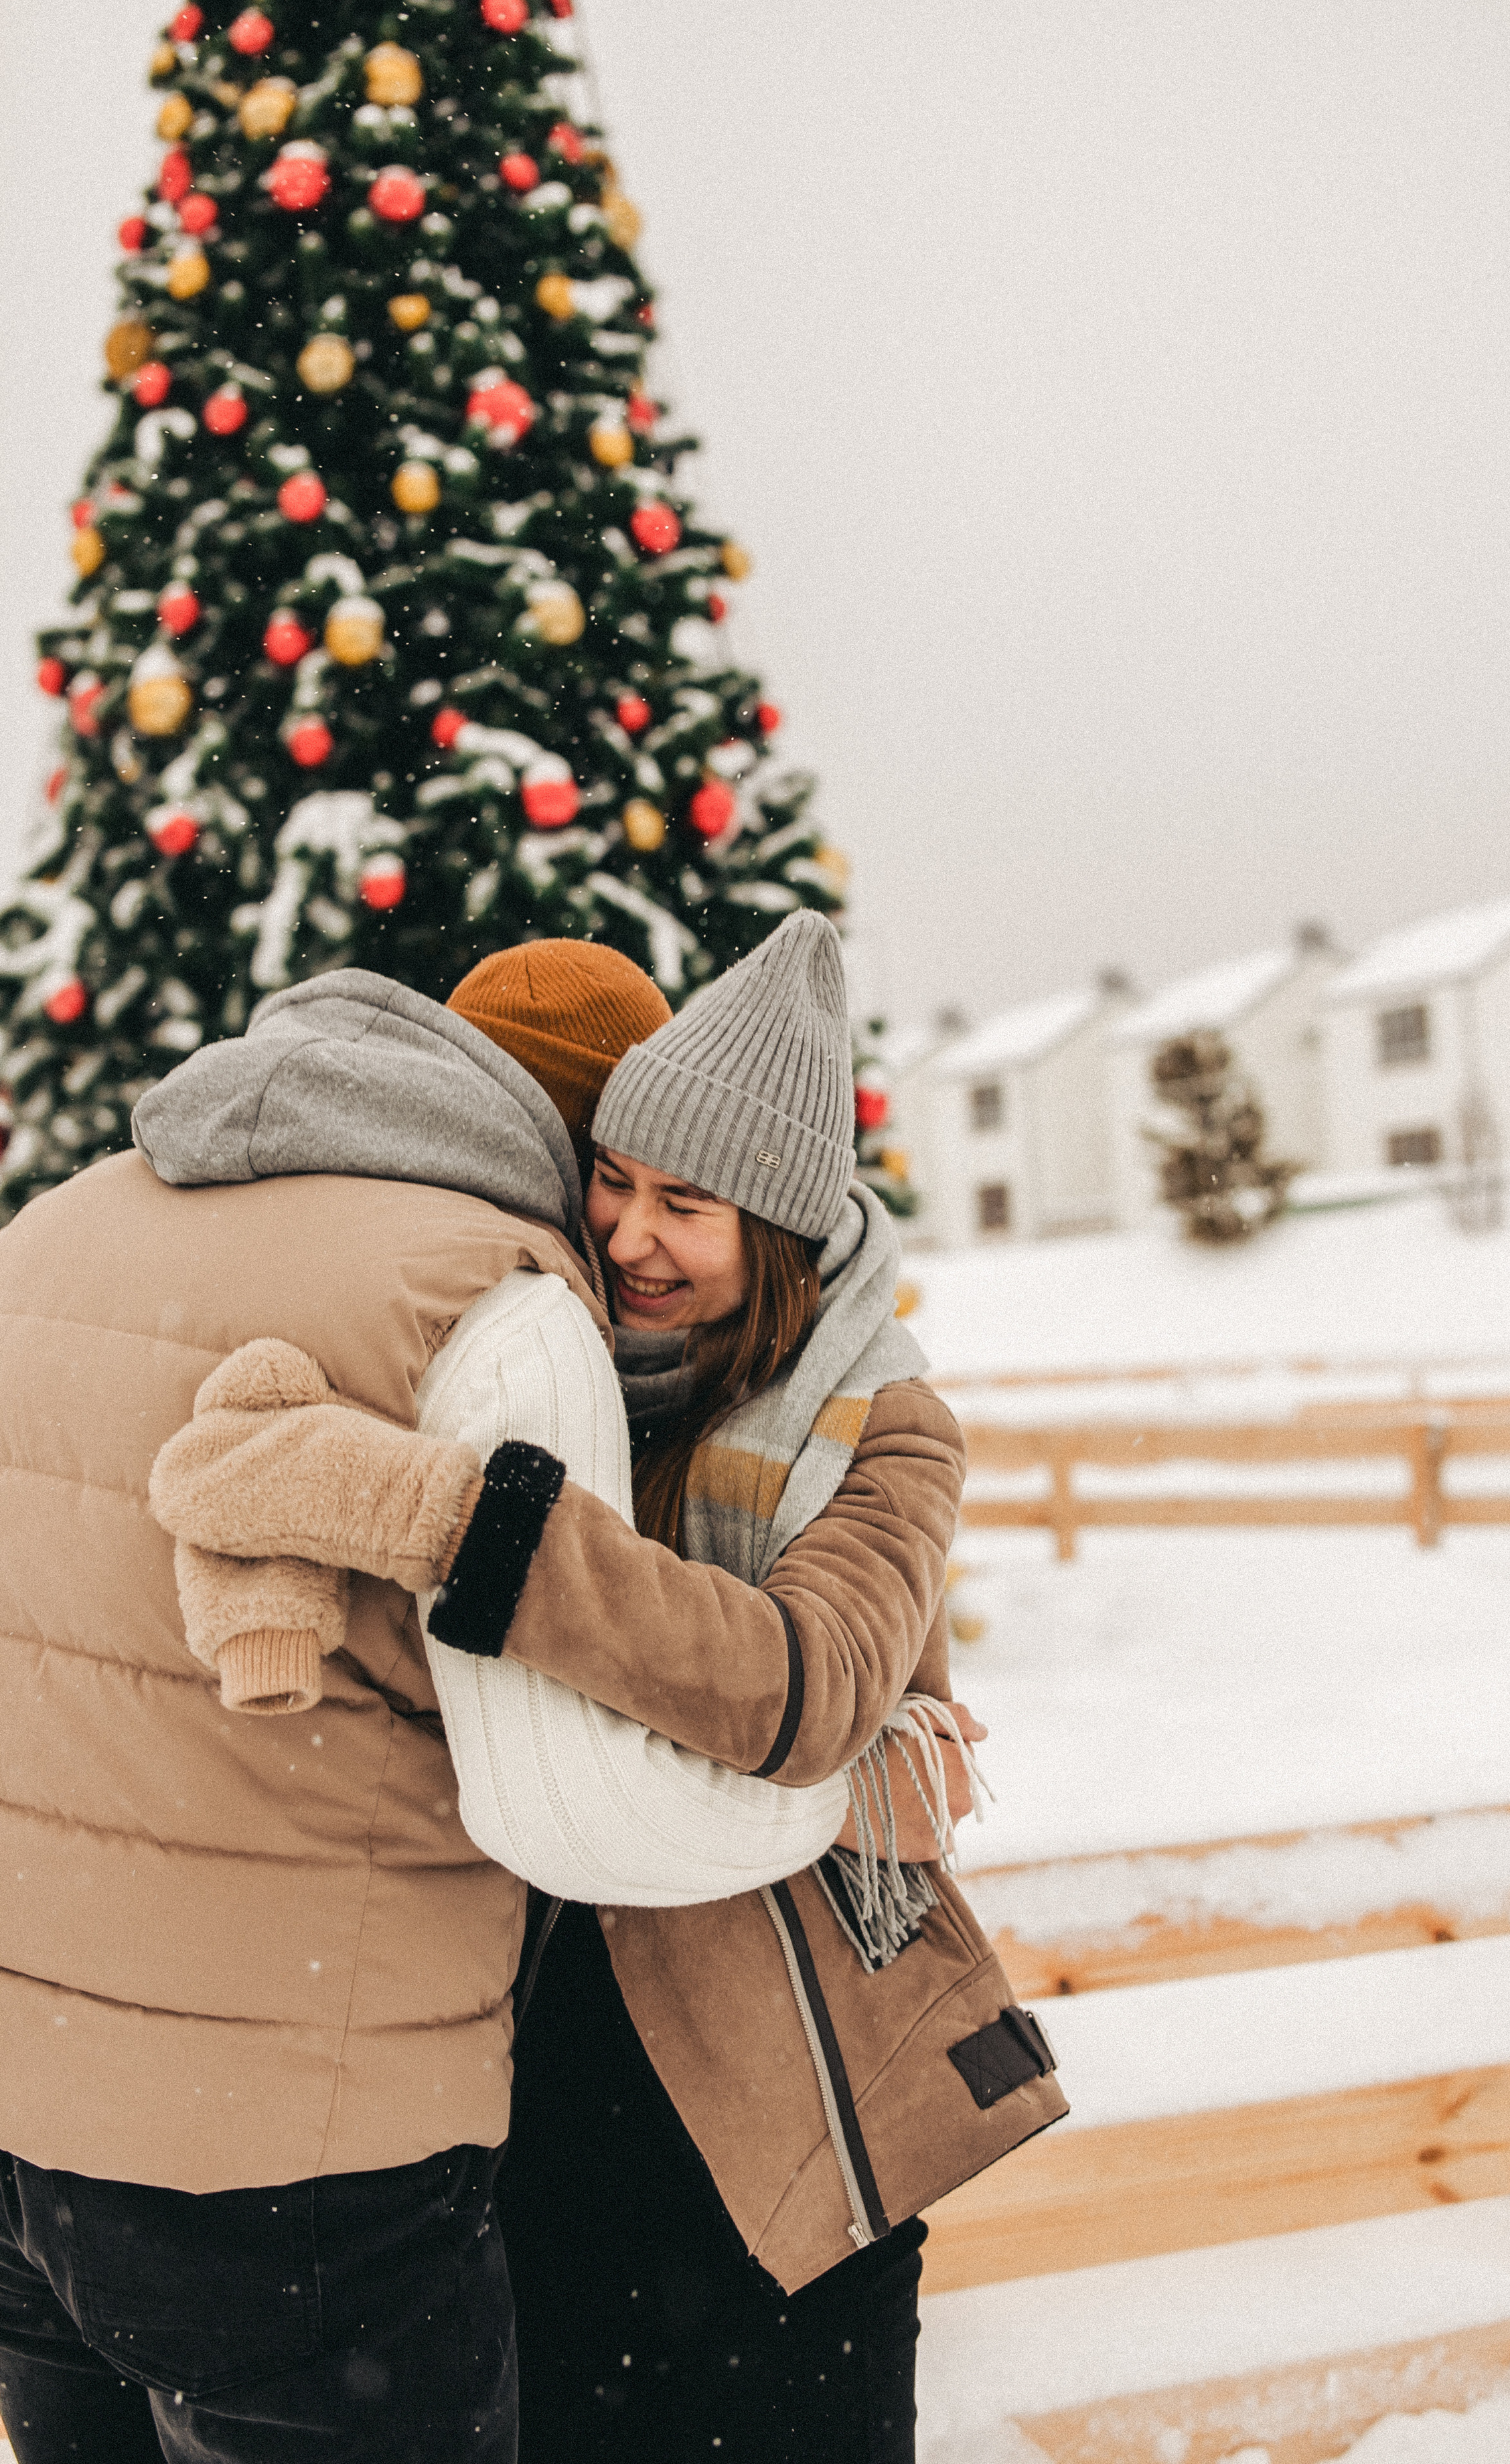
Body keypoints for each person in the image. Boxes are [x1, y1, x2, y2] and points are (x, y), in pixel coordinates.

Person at [150, 914, 1068, 2463]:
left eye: (685, 1205)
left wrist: (453, 1518)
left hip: (777, 2092)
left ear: (771, 1226)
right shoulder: (545, 1358)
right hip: (541, 2080)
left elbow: (812, 1685)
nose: (633, 1233)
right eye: (616, 1183)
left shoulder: (881, 1427)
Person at [0, 940, 866, 2464]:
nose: (629, 1233)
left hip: (25, 2128)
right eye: (623, 1177)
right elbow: (575, 1815)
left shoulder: (53, 1230)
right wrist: (835, 1786)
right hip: (307, 2169)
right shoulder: (503, 1304)